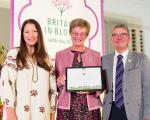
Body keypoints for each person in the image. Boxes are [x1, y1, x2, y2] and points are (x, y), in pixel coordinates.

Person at [0, 19, 57, 120]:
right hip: (19, 113)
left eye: (34, 31)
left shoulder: (46, 58)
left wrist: (52, 113)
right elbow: (7, 83)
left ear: (39, 33)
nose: (31, 35)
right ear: (22, 35)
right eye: (27, 32)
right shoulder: (14, 54)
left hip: (43, 114)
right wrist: (9, 110)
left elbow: (52, 88)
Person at [55, 18, 102, 120]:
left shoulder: (96, 55)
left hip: (90, 107)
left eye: (82, 34)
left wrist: (92, 89)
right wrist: (59, 81)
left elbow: (102, 85)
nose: (78, 36)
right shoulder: (60, 55)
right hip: (66, 107)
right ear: (70, 33)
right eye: (75, 33)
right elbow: (54, 85)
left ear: (86, 35)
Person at [102, 24, 150, 120]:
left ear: (129, 38)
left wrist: (147, 114)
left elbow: (148, 88)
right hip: (111, 111)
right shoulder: (104, 60)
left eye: (123, 34)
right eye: (115, 35)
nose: (118, 37)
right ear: (111, 40)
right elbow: (102, 86)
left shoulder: (141, 59)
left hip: (134, 112)